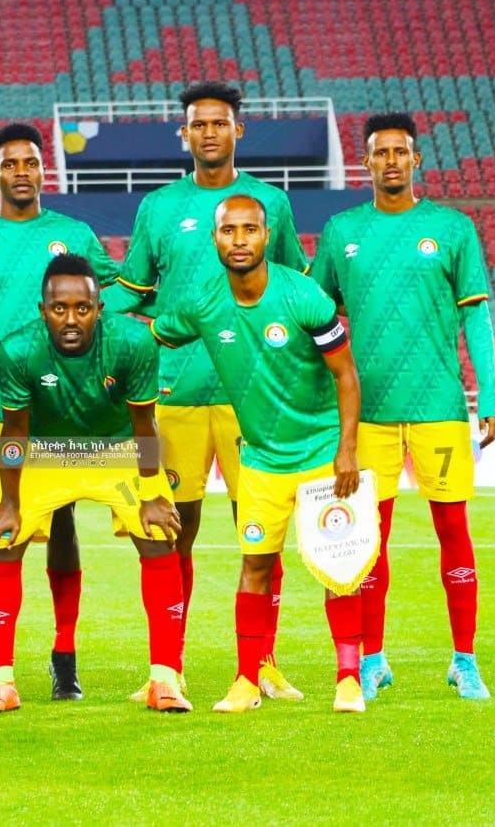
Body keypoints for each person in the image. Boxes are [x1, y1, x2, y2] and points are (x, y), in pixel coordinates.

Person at [113, 81, 308, 702]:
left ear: (237, 130)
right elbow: (132, 291)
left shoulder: (271, 204)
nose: (209, 133)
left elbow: (295, 288)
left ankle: (263, 663)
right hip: (174, 393)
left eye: (219, 123)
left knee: (262, 533)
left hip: (257, 395)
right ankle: (167, 668)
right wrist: (86, 317)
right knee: (172, 532)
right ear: (184, 134)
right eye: (198, 124)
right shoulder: (158, 208)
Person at [0, 122, 125, 700]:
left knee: (62, 521)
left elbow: (115, 296)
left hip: (59, 410)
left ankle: (65, 656)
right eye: (10, 163)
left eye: (31, 162)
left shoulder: (72, 234)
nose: (22, 172)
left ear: (43, 169)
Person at [308, 112, 495, 701]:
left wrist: (490, 393)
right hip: (368, 414)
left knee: (454, 531)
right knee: (369, 540)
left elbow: (476, 316)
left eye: (400, 152)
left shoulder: (452, 228)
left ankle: (464, 659)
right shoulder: (342, 231)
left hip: (439, 406)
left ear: (416, 159)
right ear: (365, 162)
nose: (390, 161)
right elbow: (315, 314)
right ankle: (373, 660)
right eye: (379, 152)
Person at [150, 195, 366, 713]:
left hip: (320, 455)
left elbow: (346, 374)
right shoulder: (203, 303)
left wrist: (347, 450)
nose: (240, 239)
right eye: (229, 230)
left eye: (250, 229)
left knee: (339, 567)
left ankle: (349, 680)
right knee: (255, 565)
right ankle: (247, 680)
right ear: (215, 239)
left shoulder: (305, 296)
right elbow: (153, 336)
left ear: (267, 236)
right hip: (262, 461)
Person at [0, 253, 189, 715]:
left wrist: (152, 493)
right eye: (59, 308)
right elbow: (14, 433)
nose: (71, 319)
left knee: (158, 534)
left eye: (82, 308)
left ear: (99, 309)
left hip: (118, 450)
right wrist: (9, 502)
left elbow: (144, 424)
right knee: (0, 540)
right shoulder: (16, 350)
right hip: (46, 452)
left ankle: (165, 679)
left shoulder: (133, 343)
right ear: (42, 310)